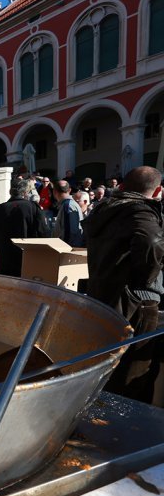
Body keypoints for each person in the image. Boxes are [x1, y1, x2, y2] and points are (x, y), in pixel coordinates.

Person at [83, 166, 164, 404]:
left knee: (106, 361)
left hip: (103, 294)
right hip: (135, 300)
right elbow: (152, 243)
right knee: (134, 369)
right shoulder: (140, 211)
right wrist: (146, 279)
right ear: (157, 190)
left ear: (122, 186)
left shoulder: (105, 209)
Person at [0, 179, 49, 276]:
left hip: (4, 259)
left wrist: (1, 245)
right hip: (27, 259)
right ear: (26, 192)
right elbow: (43, 233)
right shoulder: (33, 208)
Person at [52, 180, 84, 247]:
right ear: (69, 190)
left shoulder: (68, 206)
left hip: (68, 249)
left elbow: (70, 232)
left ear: (54, 192)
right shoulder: (67, 205)